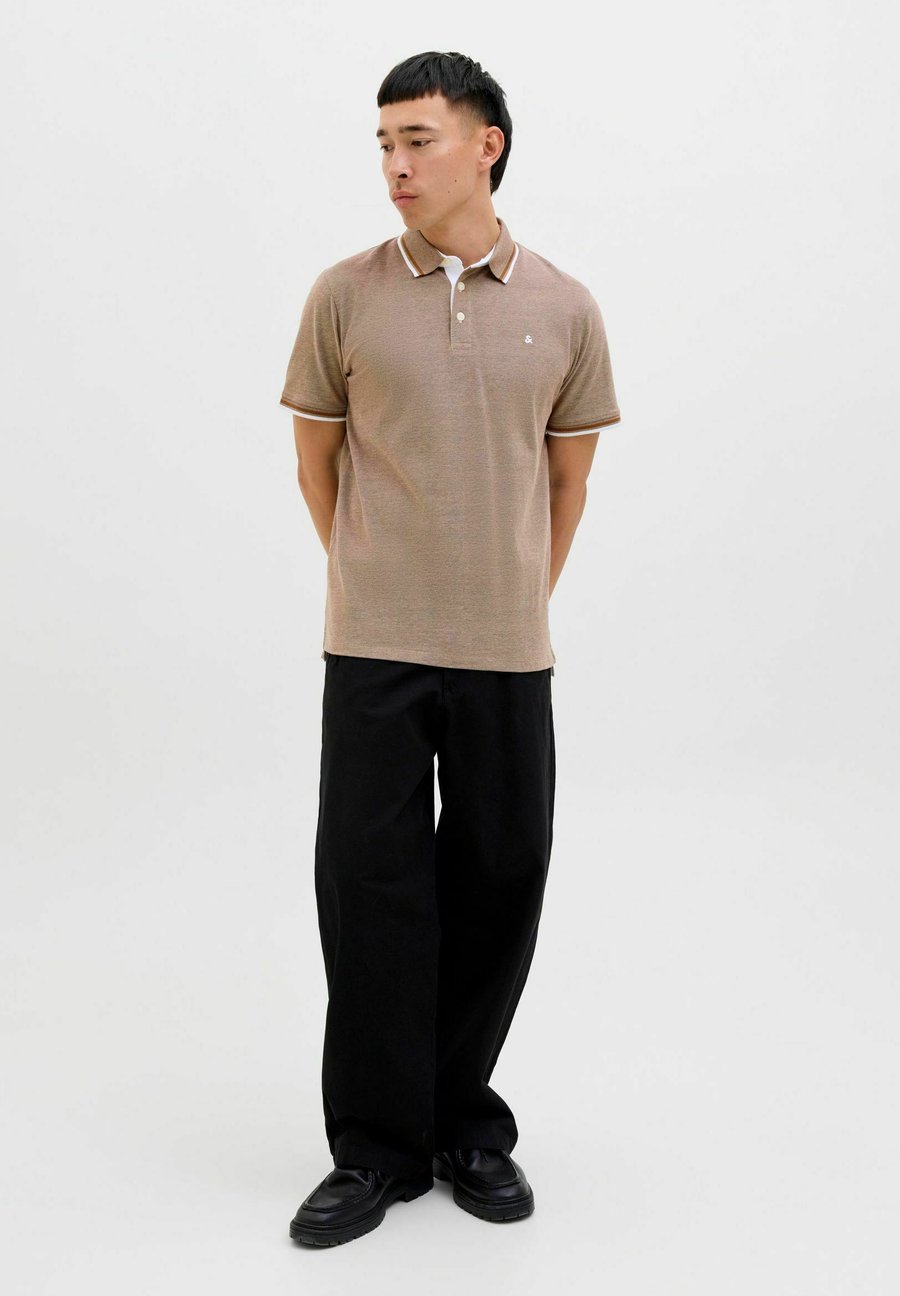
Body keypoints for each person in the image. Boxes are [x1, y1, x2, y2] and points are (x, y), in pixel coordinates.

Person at [280, 50, 621, 1247]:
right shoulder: (344, 295)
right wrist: (376, 576)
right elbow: (317, 464)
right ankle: (375, 1149)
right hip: (371, 645)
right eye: (384, 143)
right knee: (369, 891)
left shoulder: (566, 307)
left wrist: (510, 597)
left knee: (500, 877)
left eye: (417, 140)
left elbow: (568, 483)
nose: (395, 165)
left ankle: (463, 1123)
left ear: (487, 145)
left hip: (507, 649)